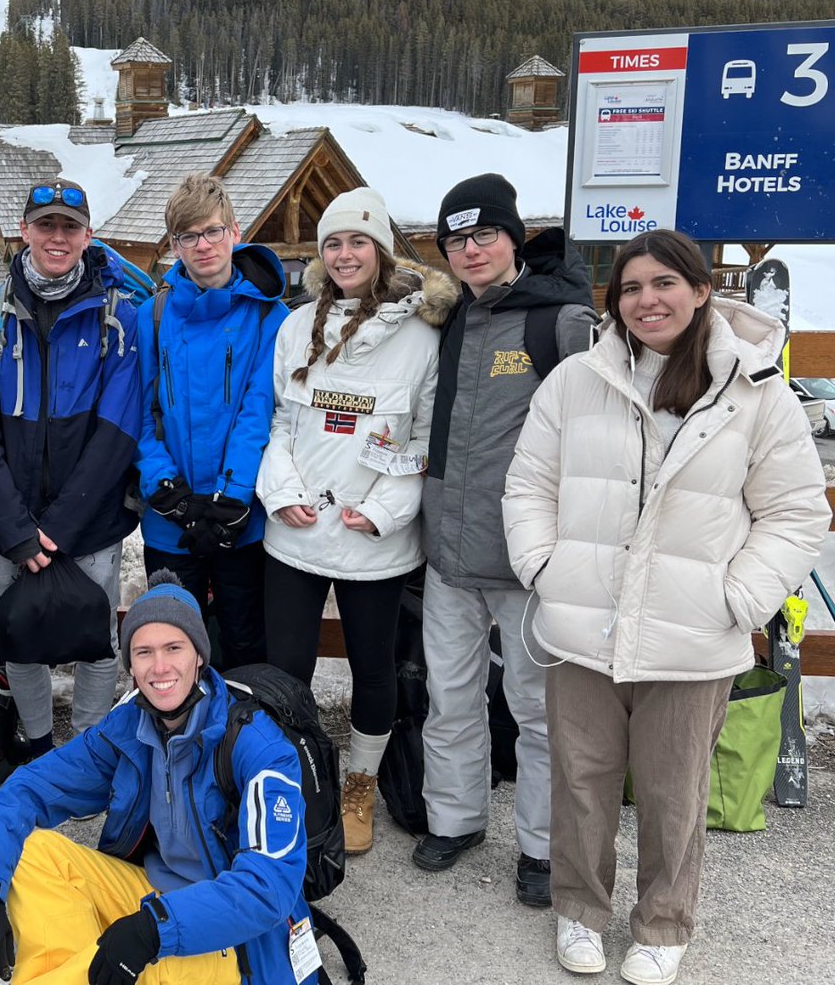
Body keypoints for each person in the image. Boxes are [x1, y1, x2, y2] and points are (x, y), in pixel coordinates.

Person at [503, 229, 829, 984]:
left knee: (674, 789)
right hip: (582, 623)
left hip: (693, 632)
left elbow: (796, 512)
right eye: (631, 288)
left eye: (664, 284)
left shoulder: (754, 391)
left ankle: (662, 922)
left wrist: (740, 596)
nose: (646, 300)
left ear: (702, 290)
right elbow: (529, 483)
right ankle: (579, 910)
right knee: (581, 780)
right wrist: (545, 566)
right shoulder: (578, 379)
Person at [0, 569, 315, 985]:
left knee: (145, 963)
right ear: (130, 663)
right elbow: (30, 788)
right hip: (152, 898)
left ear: (199, 655)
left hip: (233, 940)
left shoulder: (258, 746)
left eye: (174, 648)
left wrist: (152, 931)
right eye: (144, 652)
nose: (159, 667)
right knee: (29, 853)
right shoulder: (130, 726)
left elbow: (267, 888)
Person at [256, 187, 456, 856]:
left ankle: (360, 785)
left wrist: (381, 512)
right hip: (296, 532)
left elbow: (423, 440)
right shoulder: (295, 327)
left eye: (358, 242)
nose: (345, 254)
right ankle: (293, 777)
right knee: (287, 668)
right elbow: (281, 422)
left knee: (374, 669)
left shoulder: (421, 337)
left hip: (374, 539)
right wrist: (281, 492)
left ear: (382, 250)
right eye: (334, 243)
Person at [414, 173, 597, 905]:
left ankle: (544, 848)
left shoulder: (561, 321)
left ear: (514, 238)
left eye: (484, 233)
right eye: (455, 239)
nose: (471, 249)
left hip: (528, 560)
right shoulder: (451, 316)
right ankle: (454, 818)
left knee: (538, 711)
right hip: (449, 552)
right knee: (450, 697)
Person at [0, 178, 141, 753]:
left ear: (88, 236)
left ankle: (89, 748)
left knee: (97, 640)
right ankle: (38, 748)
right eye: (45, 226)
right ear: (24, 231)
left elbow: (118, 430)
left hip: (90, 520)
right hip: (10, 522)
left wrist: (59, 525)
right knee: (20, 637)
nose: (57, 237)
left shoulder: (117, 317)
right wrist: (15, 527)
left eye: (69, 227)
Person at [136, 173, 288, 670]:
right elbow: (139, 410)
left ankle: (241, 720)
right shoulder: (153, 316)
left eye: (213, 231)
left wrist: (232, 499)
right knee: (172, 647)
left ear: (235, 232)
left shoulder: (269, 317)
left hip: (238, 520)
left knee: (244, 642)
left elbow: (258, 410)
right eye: (188, 236)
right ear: (174, 245)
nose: (203, 245)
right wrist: (165, 488)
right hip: (169, 519)